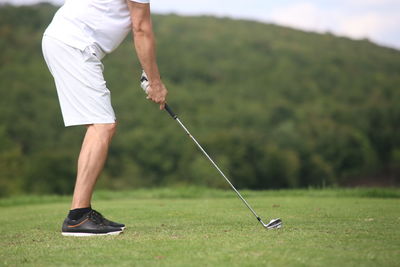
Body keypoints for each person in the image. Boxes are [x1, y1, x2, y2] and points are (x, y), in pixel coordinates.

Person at [42, 0, 168, 236]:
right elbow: (141, 29)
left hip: (64, 39)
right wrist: (156, 82)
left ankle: (81, 213)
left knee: (101, 123)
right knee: (103, 125)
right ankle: (78, 217)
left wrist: (150, 74)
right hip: (74, 44)